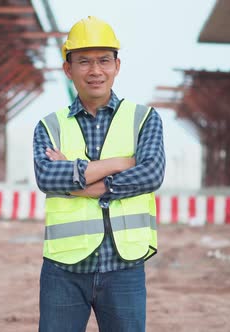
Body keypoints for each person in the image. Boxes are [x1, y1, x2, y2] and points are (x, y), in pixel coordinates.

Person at [33, 16, 165, 332]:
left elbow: (150, 175)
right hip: (64, 269)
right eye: (85, 62)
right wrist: (121, 162)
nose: (95, 71)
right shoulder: (49, 126)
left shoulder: (144, 119)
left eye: (104, 61)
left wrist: (81, 180)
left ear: (117, 65)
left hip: (124, 266)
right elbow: (48, 177)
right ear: (68, 69)